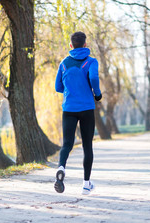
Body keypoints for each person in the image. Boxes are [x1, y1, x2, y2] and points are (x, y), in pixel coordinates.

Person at [54, 31, 102, 195]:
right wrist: (97, 93)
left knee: (67, 144)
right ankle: (86, 184)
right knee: (87, 145)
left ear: (71, 46)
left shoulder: (64, 63)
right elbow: (94, 78)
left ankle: (61, 168)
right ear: (85, 45)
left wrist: (70, 90)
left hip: (69, 109)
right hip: (87, 108)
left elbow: (58, 87)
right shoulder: (91, 61)